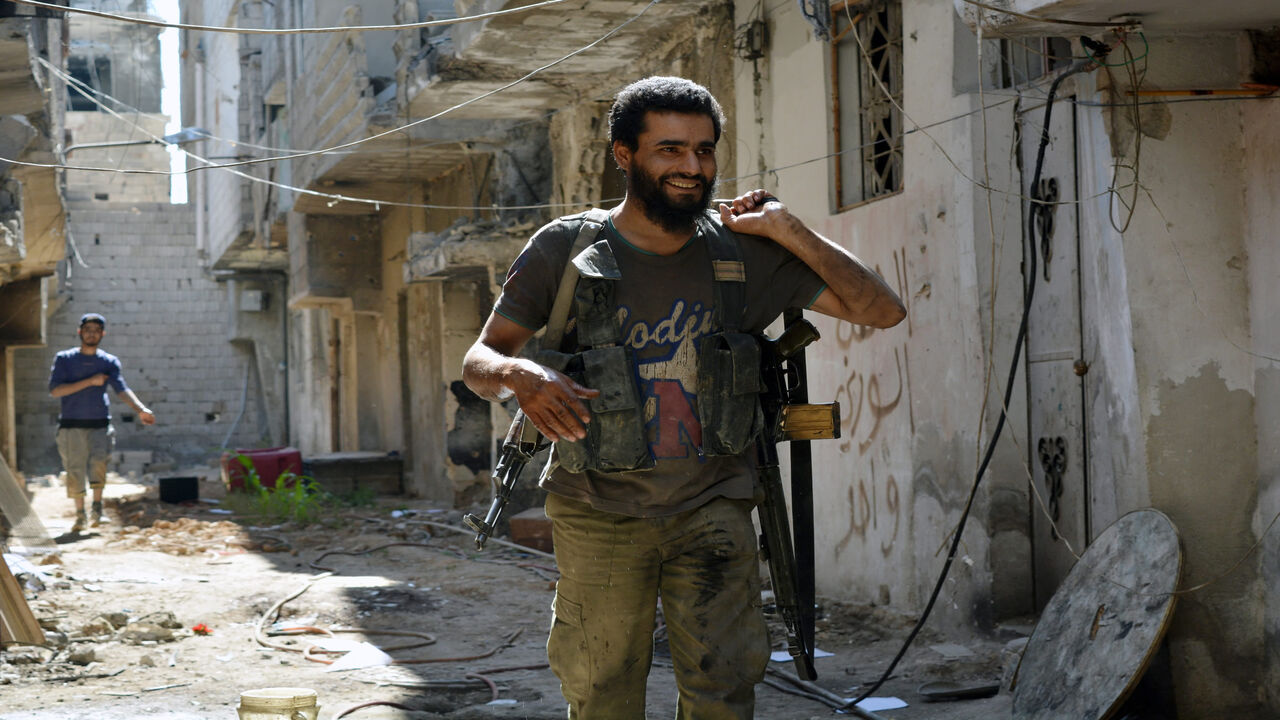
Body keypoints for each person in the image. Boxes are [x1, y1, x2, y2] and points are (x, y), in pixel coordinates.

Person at [462, 76, 906, 719]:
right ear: (624, 154)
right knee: (602, 691)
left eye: (704, 150)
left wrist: (789, 229)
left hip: (715, 505)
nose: (691, 167)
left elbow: (881, 310)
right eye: (670, 150)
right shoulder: (566, 248)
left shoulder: (746, 252)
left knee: (724, 691)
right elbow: (480, 359)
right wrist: (522, 377)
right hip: (599, 510)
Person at [48, 313, 155, 532]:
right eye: (88, 329)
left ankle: (97, 510)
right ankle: (80, 516)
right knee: (75, 470)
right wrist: (90, 381)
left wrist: (140, 409)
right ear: (80, 332)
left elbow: (121, 389)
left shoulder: (108, 362)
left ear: (102, 334)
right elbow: (55, 390)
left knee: (99, 465)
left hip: (100, 424)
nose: (92, 334)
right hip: (71, 425)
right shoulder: (64, 359)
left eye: (97, 330)